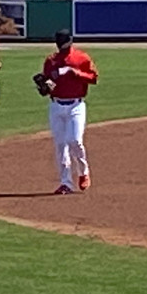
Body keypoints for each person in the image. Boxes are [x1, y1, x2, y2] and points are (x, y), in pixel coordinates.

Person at [34, 29, 98, 194]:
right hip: (56, 105)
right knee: (61, 144)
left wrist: (75, 73)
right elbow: (48, 85)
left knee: (75, 140)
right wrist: (44, 87)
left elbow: (93, 78)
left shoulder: (81, 58)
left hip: (76, 105)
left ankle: (83, 171)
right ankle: (66, 183)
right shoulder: (51, 61)